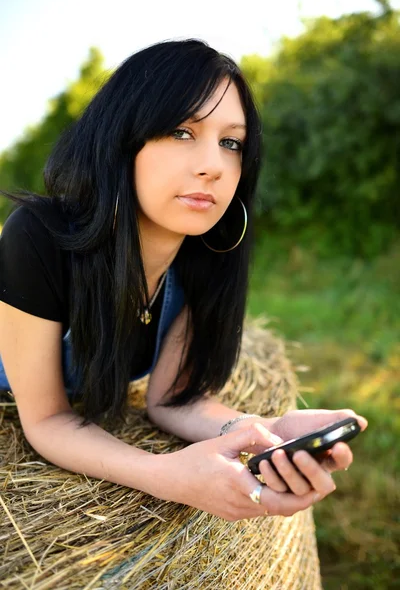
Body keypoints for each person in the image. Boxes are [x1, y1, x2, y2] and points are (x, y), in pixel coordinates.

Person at [0, 38, 367, 522]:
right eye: (180, 131)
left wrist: (266, 429)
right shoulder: (38, 236)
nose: (213, 165)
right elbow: (47, 419)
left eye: (231, 142)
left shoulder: (204, 253)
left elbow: (172, 400)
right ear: (122, 138)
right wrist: (167, 474)